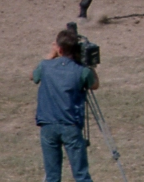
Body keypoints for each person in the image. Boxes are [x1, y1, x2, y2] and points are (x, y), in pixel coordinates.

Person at [32, 28, 98, 182]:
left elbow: (33, 76)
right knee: (81, 175)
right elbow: (94, 85)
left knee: (52, 176)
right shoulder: (81, 71)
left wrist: (50, 55)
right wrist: (90, 65)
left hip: (47, 124)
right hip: (71, 125)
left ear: (59, 49)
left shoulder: (45, 66)